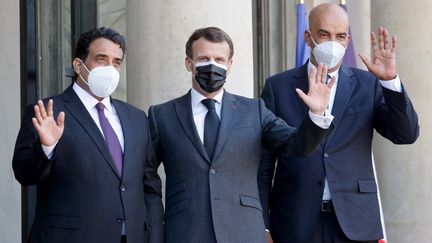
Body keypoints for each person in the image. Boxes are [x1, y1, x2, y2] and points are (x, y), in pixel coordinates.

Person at [148, 26, 335, 243]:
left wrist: (317, 114)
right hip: (185, 231)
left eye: (219, 59)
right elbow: (146, 178)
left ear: (229, 65)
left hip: (244, 231)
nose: (212, 65)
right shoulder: (161, 115)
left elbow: (296, 146)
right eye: (204, 58)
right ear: (189, 63)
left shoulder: (254, 110)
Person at [259, 3, 419, 243]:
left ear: (347, 41)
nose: (332, 42)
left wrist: (390, 83)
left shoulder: (368, 84)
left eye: (340, 36)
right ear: (308, 37)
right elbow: (263, 164)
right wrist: (262, 226)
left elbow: (405, 134)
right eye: (324, 34)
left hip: (356, 222)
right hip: (294, 223)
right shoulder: (278, 86)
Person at [12, 27, 163, 243]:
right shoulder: (48, 111)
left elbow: (149, 186)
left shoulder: (136, 118)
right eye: (101, 59)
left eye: (116, 62)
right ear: (78, 65)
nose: (110, 68)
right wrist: (47, 148)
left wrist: (155, 237)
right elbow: (24, 173)